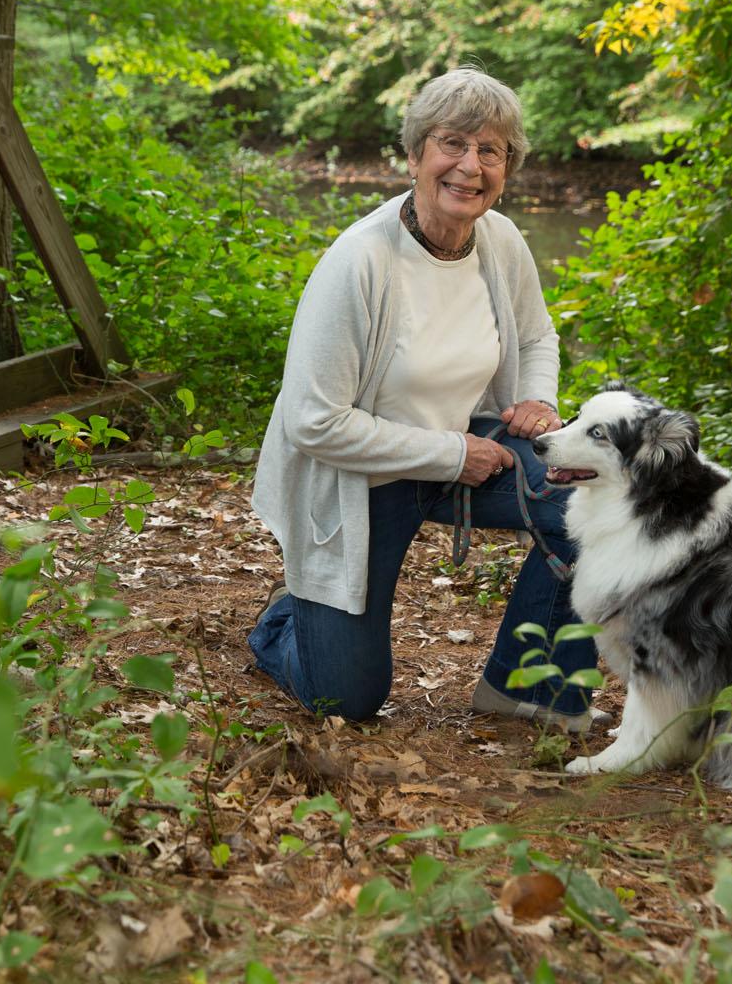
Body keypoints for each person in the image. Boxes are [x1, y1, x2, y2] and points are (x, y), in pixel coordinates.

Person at [247, 66, 598, 727]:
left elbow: (537, 334)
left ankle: (527, 688)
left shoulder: (502, 241)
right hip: (364, 478)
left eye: (489, 151)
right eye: (452, 144)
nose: (470, 167)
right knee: (346, 700)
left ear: (507, 166)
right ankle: (283, 622)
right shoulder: (359, 263)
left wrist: (536, 399)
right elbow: (313, 423)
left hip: (466, 448)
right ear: (414, 156)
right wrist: (447, 454)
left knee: (596, 505)